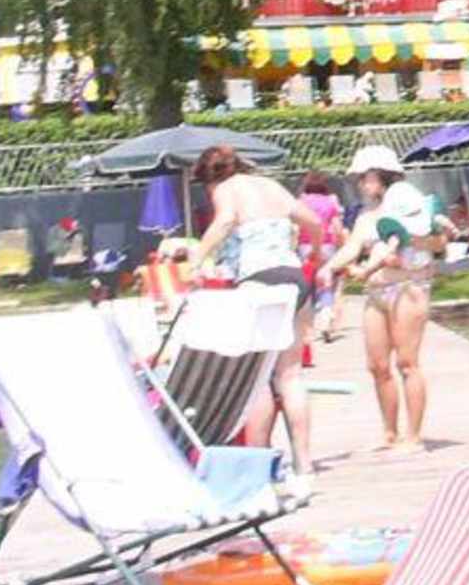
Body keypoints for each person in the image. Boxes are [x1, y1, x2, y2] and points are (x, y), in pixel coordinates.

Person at [183, 146, 328, 486]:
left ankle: (259, 461)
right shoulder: (269, 185)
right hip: (293, 276)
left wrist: (196, 259)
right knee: (291, 375)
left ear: (209, 179)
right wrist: (315, 253)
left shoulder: (226, 189)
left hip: (259, 280)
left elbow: (225, 221)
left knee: (258, 376)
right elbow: (313, 221)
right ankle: (304, 462)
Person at [320, 145, 446, 455]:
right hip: (376, 293)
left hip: (408, 288)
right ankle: (389, 432)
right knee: (377, 365)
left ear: (383, 177)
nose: (361, 184)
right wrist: (329, 267)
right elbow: (352, 247)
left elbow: (438, 242)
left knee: (407, 362)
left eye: (366, 177)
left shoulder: (411, 207)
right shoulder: (366, 216)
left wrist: (408, 241)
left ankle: (414, 436)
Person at [296, 170, 347, 343]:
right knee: (325, 283)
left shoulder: (301, 202)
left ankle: (307, 329)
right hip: (327, 245)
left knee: (307, 284)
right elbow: (337, 227)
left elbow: (296, 226)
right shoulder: (330, 202)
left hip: (305, 245)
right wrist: (340, 245)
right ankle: (325, 318)